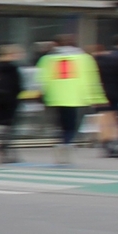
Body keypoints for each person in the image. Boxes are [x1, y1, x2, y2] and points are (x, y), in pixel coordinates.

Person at [37, 33, 106, 166]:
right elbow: (93, 79)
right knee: (72, 125)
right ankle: (67, 144)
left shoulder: (46, 59)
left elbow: (40, 78)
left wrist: (39, 94)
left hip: (54, 96)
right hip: (76, 96)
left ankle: (60, 143)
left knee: (59, 122)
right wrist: (98, 97)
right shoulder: (85, 58)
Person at [0, 44, 27, 165]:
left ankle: (3, 147)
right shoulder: (13, 69)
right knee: (10, 127)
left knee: (4, 126)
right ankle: (5, 148)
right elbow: (18, 86)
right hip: (11, 100)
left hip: (0, 100)